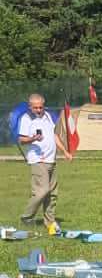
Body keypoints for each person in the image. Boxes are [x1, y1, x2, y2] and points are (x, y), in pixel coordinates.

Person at [18, 92, 71, 231]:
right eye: (36, 107)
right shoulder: (26, 118)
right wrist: (33, 138)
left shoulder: (47, 116)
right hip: (38, 160)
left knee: (52, 193)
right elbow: (21, 139)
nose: (39, 110)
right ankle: (27, 216)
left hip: (51, 159)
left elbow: (54, 135)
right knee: (42, 191)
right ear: (30, 106)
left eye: (41, 107)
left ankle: (50, 222)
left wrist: (65, 151)